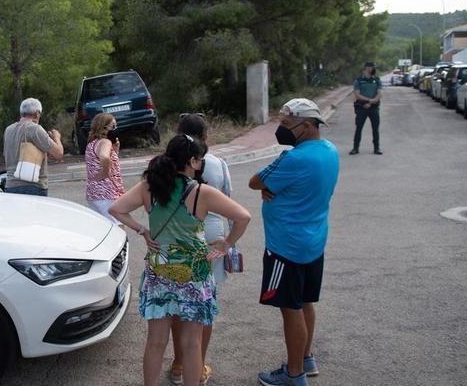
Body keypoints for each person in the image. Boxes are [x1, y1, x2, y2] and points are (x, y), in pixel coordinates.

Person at [109, 135, 251, 386]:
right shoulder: (201, 192)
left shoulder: (149, 186)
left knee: (155, 341)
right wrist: (226, 243)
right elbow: (243, 217)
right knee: (192, 343)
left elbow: (117, 209)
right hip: (193, 273)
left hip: (159, 270)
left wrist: (143, 230)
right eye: (199, 160)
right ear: (193, 162)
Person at [247, 98, 339, 386]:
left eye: (286, 125)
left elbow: (254, 181)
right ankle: (307, 358)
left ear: (307, 125)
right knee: (306, 302)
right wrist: (272, 190)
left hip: (286, 246)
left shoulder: (294, 158)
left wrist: (267, 189)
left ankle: (294, 373)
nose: (281, 130)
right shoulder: (330, 151)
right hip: (313, 241)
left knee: (291, 309)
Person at [168, 113, 234, 385]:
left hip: (176, 235)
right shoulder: (217, 164)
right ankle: (199, 364)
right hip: (211, 234)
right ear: (205, 138)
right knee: (204, 302)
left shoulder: (165, 164)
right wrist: (231, 245)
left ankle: (179, 363)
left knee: (176, 303)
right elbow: (229, 202)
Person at [3, 97, 63, 196]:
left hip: (11, 185)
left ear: (21, 113)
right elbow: (58, 154)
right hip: (33, 186)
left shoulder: (8, 130)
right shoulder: (35, 129)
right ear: (37, 113)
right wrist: (57, 138)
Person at [85, 113, 124, 224]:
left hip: (95, 193)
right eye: (113, 126)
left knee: (104, 227)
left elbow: (103, 160)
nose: (115, 129)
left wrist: (115, 151)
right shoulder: (105, 142)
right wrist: (105, 172)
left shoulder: (92, 144)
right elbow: (104, 156)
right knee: (117, 227)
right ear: (104, 128)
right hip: (107, 192)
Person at [351, 61, 382, 155]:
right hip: (362, 107)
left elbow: (379, 94)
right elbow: (357, 94)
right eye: (371, 67)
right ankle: (355, 148)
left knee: (375, 129)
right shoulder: (359, 80)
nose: (373, 69)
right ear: (366, 68)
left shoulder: (377, 80)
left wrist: (372, 102)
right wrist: (368, 101)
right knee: (359, 128)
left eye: (373, 67)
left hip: (374, 108)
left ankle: (377, 148)